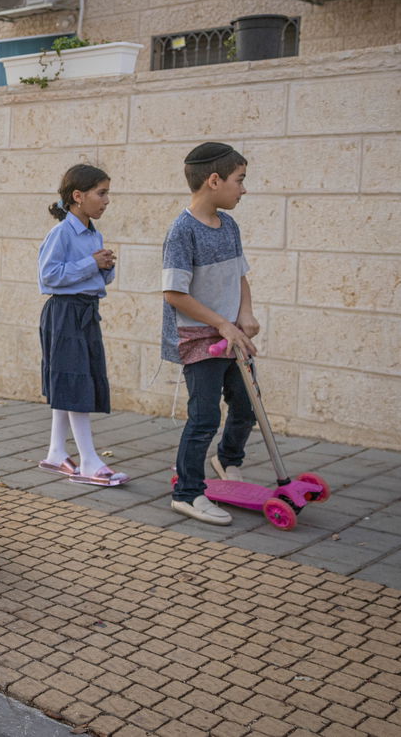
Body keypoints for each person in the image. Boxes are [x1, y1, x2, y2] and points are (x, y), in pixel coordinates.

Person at [162, 142, 259, 526]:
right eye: (240, 180)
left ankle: (227, 459)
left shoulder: (229, 225)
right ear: (214, 180)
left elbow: (240, 274)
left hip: (232, 334)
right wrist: (221, 323)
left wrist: (245, 314)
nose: (244, 189)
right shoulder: (182, 232)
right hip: (200, 340)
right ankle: (187, 493)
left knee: (247, 404)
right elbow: (174, 294)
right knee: (203, 417)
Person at [36, 164, 127, 487]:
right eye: (101, 193)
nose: (106, 200)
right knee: (74, 383)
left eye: (107, 193)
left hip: (86, 312)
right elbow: (48, 277)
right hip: (64, 314)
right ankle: (88, 461)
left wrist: (104, 267)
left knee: (72, 379)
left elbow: (95, 277)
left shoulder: (93, 233)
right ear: (78, 196)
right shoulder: (60, 233)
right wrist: (92, 263)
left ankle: (56, 452)